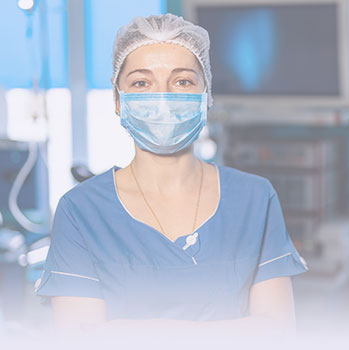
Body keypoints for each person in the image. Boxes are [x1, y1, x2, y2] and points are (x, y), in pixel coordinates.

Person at [34, 13, 308, 340]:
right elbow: (79, 340)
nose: (162, 97)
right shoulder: (81, 210)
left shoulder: (255, 199)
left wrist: (125, 333)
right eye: (141, 83)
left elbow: (277, 335)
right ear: (118, 100)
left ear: (206, 95)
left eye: (182, 81)